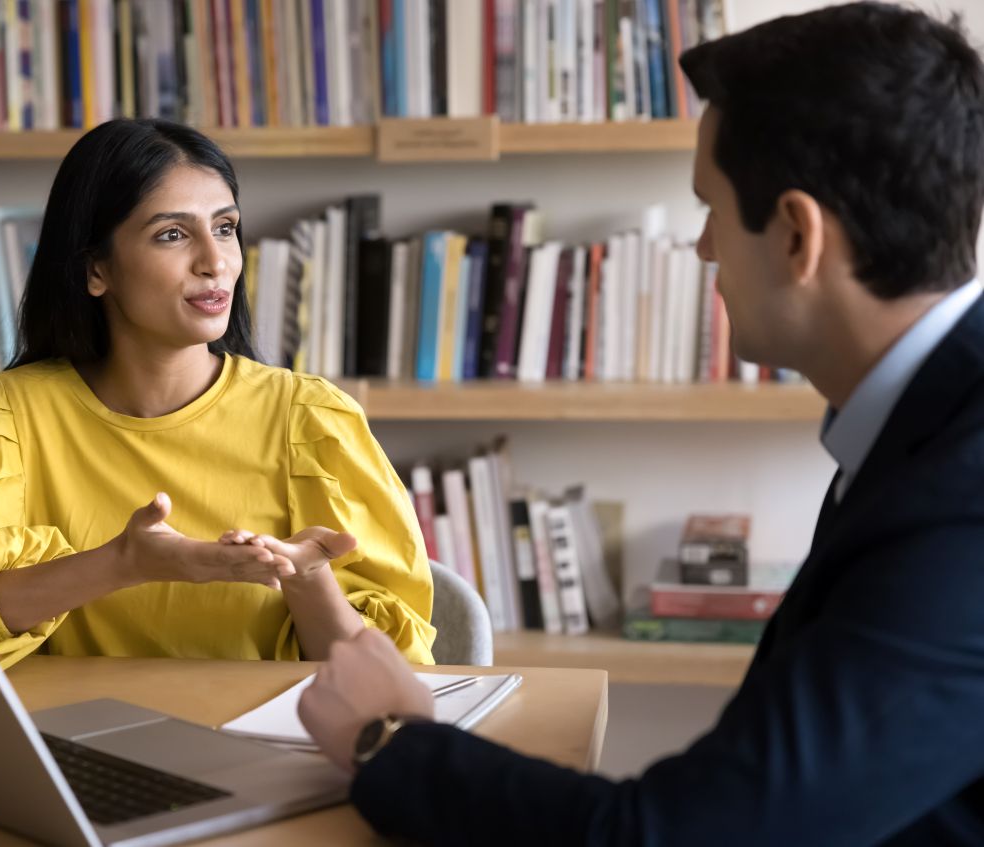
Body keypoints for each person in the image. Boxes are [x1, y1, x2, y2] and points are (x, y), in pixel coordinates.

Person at [297, 3, 984, 844]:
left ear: (799, 235)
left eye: (712, 210)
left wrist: (387, 739)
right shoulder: (927, 424)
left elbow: (676, 837)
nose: (701, 248)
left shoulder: (963, 497)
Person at [0, 119, 435, 668]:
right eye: (173, 234)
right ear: (97, 269)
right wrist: (123, 562)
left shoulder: (311, 420)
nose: (215, 262)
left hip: (260, 750)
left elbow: (396, 676)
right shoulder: (14, 416)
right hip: (73, 747)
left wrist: (307, 578)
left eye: (224, 227)